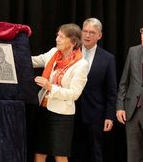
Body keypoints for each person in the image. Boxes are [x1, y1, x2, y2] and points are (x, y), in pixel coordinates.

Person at [32, 23, 89, 162]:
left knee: (60, 154)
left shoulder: (81, 64)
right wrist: (13, 53)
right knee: (40, 151)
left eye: (62, 37)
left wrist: (50, 87)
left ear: (73, 42)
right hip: (44, 109)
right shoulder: (53, 53)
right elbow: (33, 61)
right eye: (58, 35)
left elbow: (74, 93)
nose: (57, 39)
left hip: (62, 115)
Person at [70, 18, 117, 162]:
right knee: (72, 151)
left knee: (95, 152)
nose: (87, 35)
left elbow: (111, 90)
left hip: (95, 114)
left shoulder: (107, 58)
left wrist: (109, 115)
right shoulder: (71, 53)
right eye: (85, 31)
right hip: (71, 111)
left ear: (99, 36)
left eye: (92, 32)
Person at [116, 28, 143, 162]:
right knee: (133, 155)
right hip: (132, 111)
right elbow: (124, 82)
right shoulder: (133, 51)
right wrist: (120, 106)